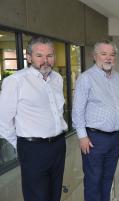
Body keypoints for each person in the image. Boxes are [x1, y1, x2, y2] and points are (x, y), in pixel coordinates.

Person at [0, 36, 67, 201]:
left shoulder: (57, 79)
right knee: (37, 197)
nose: (45, 60)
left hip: (58, 145)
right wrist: (22, 146)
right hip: (32, 149)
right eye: (39, 56)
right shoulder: (15, 81)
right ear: (29, 57)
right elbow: (2, 120)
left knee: (55, 195)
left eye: (50, 55)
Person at [72, 40, 119, 201]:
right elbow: (77, 111)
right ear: (94, 56)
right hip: (93, 139)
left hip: (115, 138)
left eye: (112, 54)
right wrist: (82, 136)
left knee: (107, 179)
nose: (108, 58)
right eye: (104, 54)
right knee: (93, 181)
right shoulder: (86, 78)